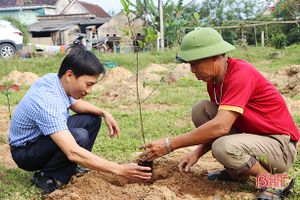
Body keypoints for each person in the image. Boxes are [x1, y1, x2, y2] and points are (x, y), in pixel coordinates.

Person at [139, 28, 299, 199]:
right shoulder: (215, 81)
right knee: (201, 110)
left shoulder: (241, 74)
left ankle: (271, 181)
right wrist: (197, 152)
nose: (192, 70)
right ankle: (238, 174)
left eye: (195, 63)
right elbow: (220, 124)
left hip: (279, 147)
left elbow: (221, 127)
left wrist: (169, 144)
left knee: (222, 147)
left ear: (215, 57)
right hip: (254, 138)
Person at [9, 47, 152, 194]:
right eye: (88, 84)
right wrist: (119, 169)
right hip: (25, 152)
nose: (89, 91)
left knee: (93, 118)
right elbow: (72, 151)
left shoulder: (55, 80)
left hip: (41, 139)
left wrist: (104, 112)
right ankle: (47, 177)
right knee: (79, 136)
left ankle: (69, 167)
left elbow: (75, 104)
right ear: (70, 75)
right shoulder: (48, 102)